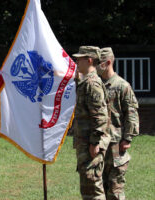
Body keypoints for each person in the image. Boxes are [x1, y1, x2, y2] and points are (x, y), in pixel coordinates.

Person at [97, 47, 139, 200]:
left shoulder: (122, 86)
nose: (95, 66)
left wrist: (127, 138)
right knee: (98, 188)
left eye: (98, 62)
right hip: (99, 144)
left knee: (115, 190)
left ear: (107, 63)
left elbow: (131, 113)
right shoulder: (96, 84)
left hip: (116, 146)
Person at [72, 46, 111, 200]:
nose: (76, 61)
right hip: (86, 143)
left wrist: (95, 142)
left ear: (89, 60)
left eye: (79, 59)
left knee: (93, 189)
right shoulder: (86, 82)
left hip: (91, 144)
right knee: (88, 188)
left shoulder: (92, 84)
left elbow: (100, 117)